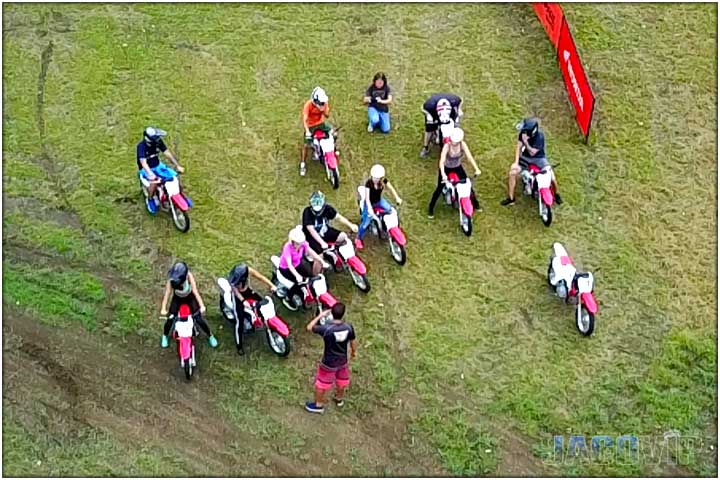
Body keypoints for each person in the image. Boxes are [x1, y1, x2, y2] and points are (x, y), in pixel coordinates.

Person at [305, 302, 357, 414]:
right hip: (343, 361)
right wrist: (353, 352)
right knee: (341, 380)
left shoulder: (326, 329)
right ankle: (339, 399)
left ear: (331, 314)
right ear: (343, 314)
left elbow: (309, 327)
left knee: (321, 384)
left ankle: (318, 405)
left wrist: (320, 315)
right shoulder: (348, 327)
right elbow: (353, 342)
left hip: (329, 363)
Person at [500, 117, 563, 206]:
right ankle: (511, 198)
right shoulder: (523, 134)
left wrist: (526, 142)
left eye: (525, 131)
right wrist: (516, 162)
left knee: (551, 176)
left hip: (539, 159)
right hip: (525, 158)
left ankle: (556, 194)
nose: (523, 133)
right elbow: (518, 147)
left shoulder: (540, 137)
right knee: (512, 173)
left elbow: (533, 152)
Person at [160, 261, 218, 349]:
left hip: (189, 298)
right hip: (177, 299)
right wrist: (163, 308)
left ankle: (210, 335)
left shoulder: (189, 276)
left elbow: (195, 291)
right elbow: (167, 293)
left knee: (198, 318)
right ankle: (165, 335)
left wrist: (202, 305)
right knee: (170, 319)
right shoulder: (171, 280)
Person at [428, 128, 481, 218]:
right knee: (439, 189)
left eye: (455, 141)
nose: (453, 142)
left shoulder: (462, 145)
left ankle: (476, 205)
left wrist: (476, 168)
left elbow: (469, 157)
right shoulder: (447, 146)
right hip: (446, 168)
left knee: (467, 186)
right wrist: (444, 174)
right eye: (452, 140)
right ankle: (430, 208)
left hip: (457, 167)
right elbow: (441, 161)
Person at [226, 262, 277, 355]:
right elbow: (235, 290)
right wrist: (242, 301)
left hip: (248, 291)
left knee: (262, 304)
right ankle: (239, 345)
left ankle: (261, 320)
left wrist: (271, 285)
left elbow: (260, 277)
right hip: (238, 297)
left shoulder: (248, 270)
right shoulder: (233, 279)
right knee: (239, 321)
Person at [137, 127, 184, 214]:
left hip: (158, 165)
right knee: (154, 183)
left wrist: (177, 165)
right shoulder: (141, 147)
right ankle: (150, 199)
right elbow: (143, 163)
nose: (158, 139)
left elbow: (167, 153)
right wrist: (150, 174)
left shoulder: (158, 142)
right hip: (146, 169)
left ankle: (180, 195)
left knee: (174, 177)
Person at [355, 164, 403, 250]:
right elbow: (367, 198)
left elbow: (391, 188)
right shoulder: (368, 184)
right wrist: (369, 208)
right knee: (365, 223)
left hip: (379, 201)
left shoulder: (383, 181)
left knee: (390, 210)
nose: (376, 179)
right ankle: (358, 238)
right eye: (374, 177)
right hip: (369, 203)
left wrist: (397, 197)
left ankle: (386, 225)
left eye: (378, 178)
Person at [278, 226, 329, 298]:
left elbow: (312, 252)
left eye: (300, 243)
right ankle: (288, 297)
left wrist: (322, 262)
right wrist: (297, 275)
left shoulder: (303, 243)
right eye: (298, 243)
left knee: (310, 275)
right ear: (292, 241)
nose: (300, 245)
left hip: (298, 263)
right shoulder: (287, 248)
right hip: (286, 269)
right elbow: (289, 265)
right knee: (298, 283)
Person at [300, 87, 332, 177]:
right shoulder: (308, 105)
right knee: (306, 145)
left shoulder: (324, 103)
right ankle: (303, 163)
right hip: (310, 126)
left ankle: (332, 151)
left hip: (320, 123)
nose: (322, 104)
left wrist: (323, 111)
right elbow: (305, 119)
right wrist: (307, 131)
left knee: (332, 134)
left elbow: (327, 115)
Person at [420, 93, 463, 158]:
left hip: (449, 111)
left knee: (455, 126)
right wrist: (429, 116)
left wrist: (459, 109)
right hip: (432, 112)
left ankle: (455, 144)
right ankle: (426, 147)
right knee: (429, 129)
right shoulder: (429, 106)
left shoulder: (454, 101)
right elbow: (423, 109)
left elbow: (460, 101)